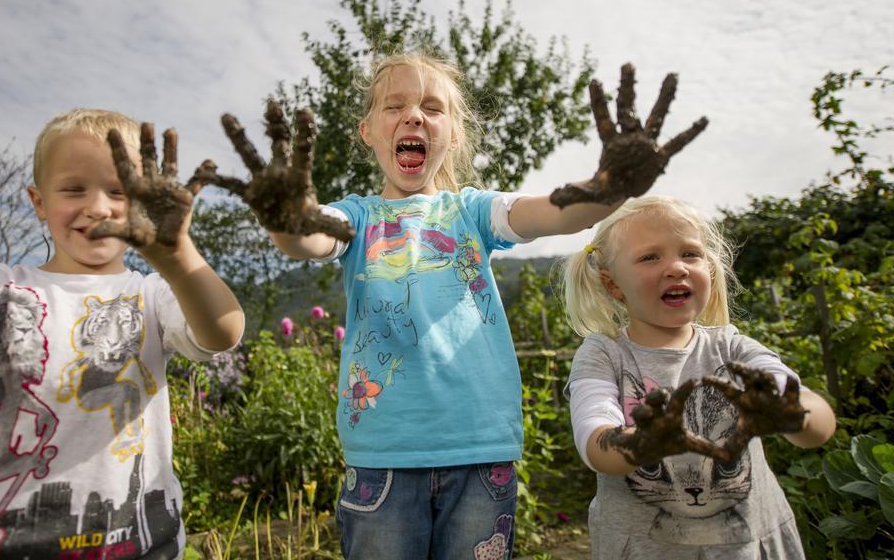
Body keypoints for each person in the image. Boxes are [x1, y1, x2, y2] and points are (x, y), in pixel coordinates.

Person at [194, 53, 708, 559]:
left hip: (481, 454)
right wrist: (286, 217)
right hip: (383, 459)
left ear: (455, 134)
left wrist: (610, 188)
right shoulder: (358, 217)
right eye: (394, 106)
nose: (414, 116)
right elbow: (309, 238)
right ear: (366, 131)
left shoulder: (473, 211)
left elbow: (555, 213)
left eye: (432, 108)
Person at [0, 110, 245, 559]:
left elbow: (224, 331)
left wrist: (179, 255)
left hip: (142, 546)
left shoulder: (151, 293)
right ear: (38, 201)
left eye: (120, 190)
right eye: (74, 189)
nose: (98, 207)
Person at [561, 195, 836, 559]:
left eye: (690, 254)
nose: (677, 268)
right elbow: (595, 444)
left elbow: (817, 425)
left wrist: (791, 409)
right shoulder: (604, 355)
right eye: (650, 257)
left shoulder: (732, 347)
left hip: (747, 546)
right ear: (614, 286)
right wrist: (646, 441)